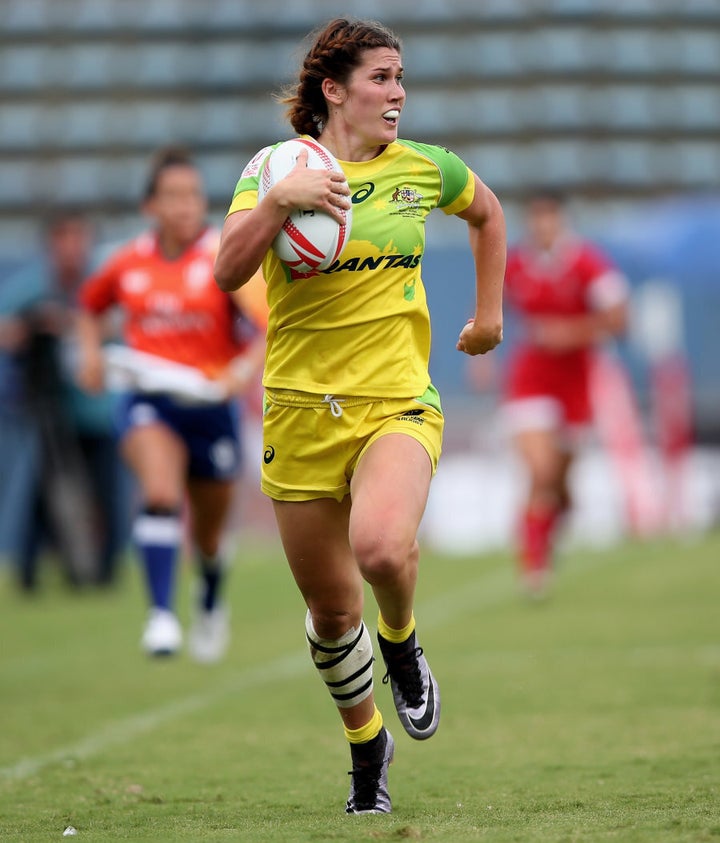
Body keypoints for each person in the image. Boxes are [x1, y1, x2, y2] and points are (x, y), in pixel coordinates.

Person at [213, 18, 505, 814]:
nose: (399, 93)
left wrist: (487, 316)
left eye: (401, 77)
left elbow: (487, 214)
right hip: (300, 412)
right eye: (381, 77)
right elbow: (226, 269)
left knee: (381, 547)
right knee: (332, 612)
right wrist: (278, 204)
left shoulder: (425, 169)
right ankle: (365, 742)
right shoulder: (274, 170)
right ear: (334, 90)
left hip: (396, 400)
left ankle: (403, 644)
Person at [76, 147, 267, 662]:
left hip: (210, 406)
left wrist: (240, 373)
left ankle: (208, 592)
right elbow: (90, 308)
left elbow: (269, 328)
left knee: (208, 534)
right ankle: (160, 615)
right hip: (149, 400)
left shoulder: (225, 259)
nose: (186, 206)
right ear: (150, 207)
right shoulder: (126, 262)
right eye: (173, 196)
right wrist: (90, 358)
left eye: (194, 196)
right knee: (159, 493)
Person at [501, 188, 629, 595]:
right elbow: (491, 305)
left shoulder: (588, 263)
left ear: (561, 220)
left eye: (549, 218)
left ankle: (555, 522)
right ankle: (534, 566)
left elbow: (619, 320)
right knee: (540, 471)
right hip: (531, 380)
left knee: (560, 481)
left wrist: (571, 333)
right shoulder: (517, 264)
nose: (542, 226)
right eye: (535, 219)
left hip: (576, 382)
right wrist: (482, 354)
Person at [0, 209, 130, 590]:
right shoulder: (35, 284)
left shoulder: (103, 279)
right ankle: (28, 569)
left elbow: (122, 321)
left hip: (99, 408)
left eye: (78, 237)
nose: (71, 248)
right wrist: (32, 325)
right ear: (51, 244)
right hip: (50, 412)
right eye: (63, 238)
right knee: (39, 495)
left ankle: (105, 572)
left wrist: (72, 324)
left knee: (106, 492)